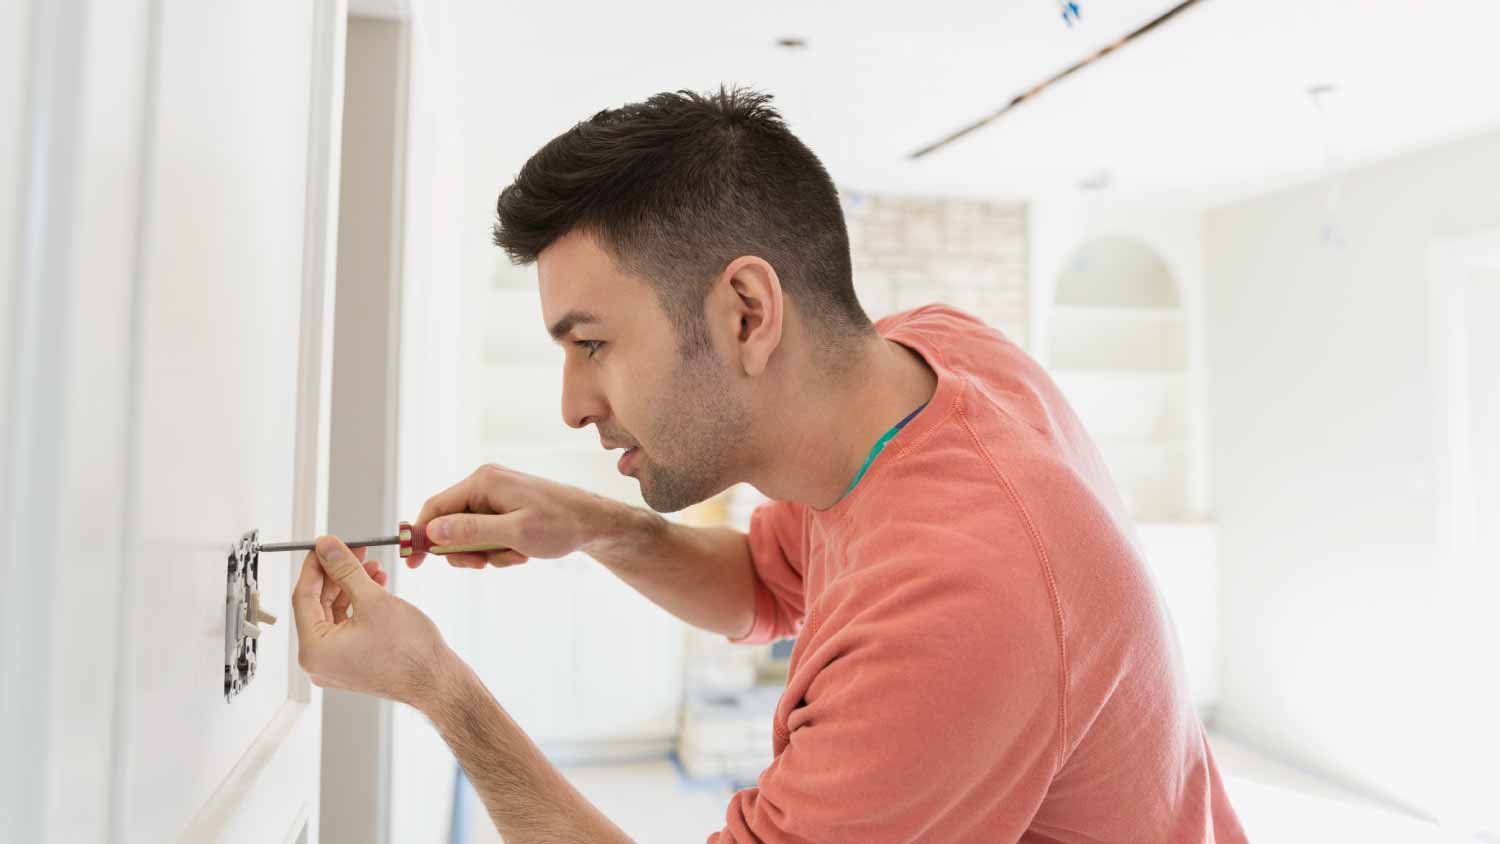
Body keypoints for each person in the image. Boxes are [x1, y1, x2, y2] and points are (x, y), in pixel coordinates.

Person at [292, 86, 1248, 843]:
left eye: (592, 345)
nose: (573, 405)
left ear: (747, 311)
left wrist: (439, 690)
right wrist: (588, 524)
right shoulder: (926, 361)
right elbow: (765, 584)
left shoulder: (959, 607)